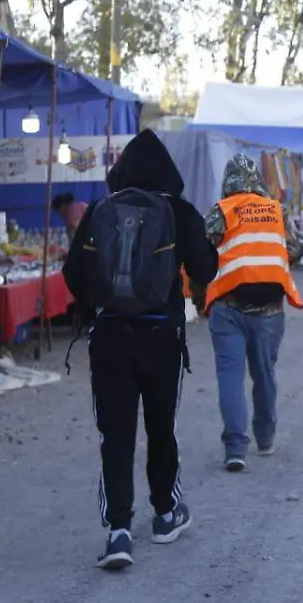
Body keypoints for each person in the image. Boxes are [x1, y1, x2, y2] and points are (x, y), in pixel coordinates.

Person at [63, 129, 218, 569]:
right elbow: (206, 269)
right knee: (161, 426)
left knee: (115, 433)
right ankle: (166, 515)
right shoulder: (178, 211)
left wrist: (99, 306)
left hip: (110, 337)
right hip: (161, 337)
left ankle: (119, 532)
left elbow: (73, 275)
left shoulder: (100, 211)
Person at [196, 154, 303, 473]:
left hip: (228, 307)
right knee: (264, 373)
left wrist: (201, 298)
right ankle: (266, 438)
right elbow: (296, 249)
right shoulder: (277, 210)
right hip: (269, 310)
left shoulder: (221, 211)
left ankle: (235, 449)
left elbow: (200, 254)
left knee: (230, 376)